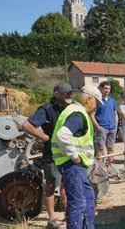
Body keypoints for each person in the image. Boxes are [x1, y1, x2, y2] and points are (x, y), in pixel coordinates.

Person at [51, 85, 102, 229]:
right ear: (89, 99)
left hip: (77, 166)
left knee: (88, 198)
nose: (96, 106)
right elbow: (63, 135)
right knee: (78, 202)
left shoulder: (77, 112)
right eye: (96, 102)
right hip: (73, 165)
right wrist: (74, 156)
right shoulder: (78, 114)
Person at [22, 83, 71, 228]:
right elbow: (27, 125)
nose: (69, 96)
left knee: (66, 184)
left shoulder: (71, 107)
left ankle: (70, 214)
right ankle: (51, 218)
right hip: (52, 154)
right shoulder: (47, 109)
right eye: (66, 93)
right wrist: (46, 138)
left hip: (68, 152)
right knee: (51, 185)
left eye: (70, 93)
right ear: (56, 94)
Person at [90, 81, 118, 165]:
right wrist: (98, 127)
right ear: (101, 89)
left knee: (111, 148)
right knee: (100, 149)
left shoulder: (112, 101)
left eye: (109, 89)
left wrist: (115, 125)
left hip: (112, 128)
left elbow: (115, 113)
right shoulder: (97, 101)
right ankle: (100, 170)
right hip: (102, 128)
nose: (107, 90)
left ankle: (111, 168)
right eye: (105, 88)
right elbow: (92, 115)